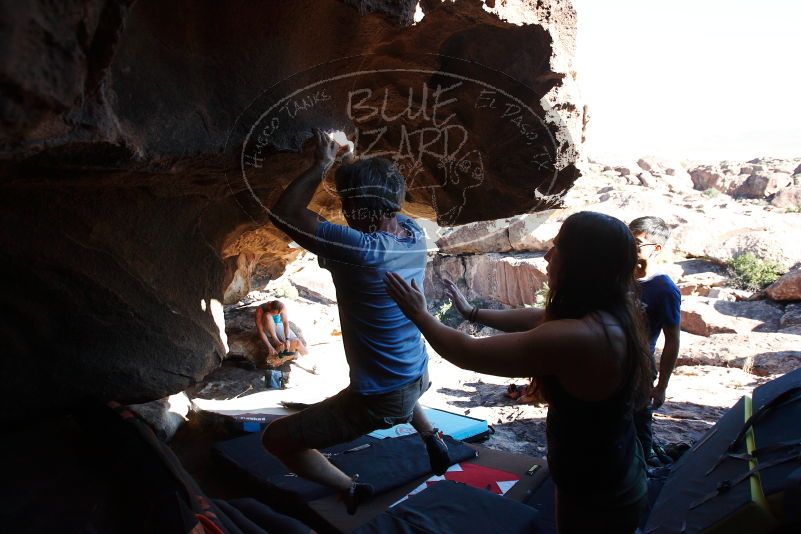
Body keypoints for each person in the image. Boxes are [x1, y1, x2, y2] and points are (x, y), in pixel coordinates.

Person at [385, 211, 653, 533]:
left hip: (597, 491)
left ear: (582, 264)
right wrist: (471, 311)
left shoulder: (580, 336)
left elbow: (467, 353)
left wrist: (420, 315)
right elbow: (535, 318)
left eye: (557, 248)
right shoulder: (608, 316)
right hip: (609, 471)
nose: (547, 255)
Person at [261, 129, 449, 515]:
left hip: (383, 397)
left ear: (353, 209)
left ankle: (351, 488)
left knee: (276, 439)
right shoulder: (413, 233)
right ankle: (432, 437)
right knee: (400, 384)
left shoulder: (358, 250)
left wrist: (323, 164)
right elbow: (379, 201)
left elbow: (285, 213)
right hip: (418, 370)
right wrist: (352, 166)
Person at [629, 216, 681, 466]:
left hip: (639, 369)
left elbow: (672, 340)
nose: (629, 247)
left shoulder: (664, 289)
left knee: (639, 422)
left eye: (636, 243)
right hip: (609, 362)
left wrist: (662, 385)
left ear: (656, 249)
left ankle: (647, 465)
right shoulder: (619, 278)